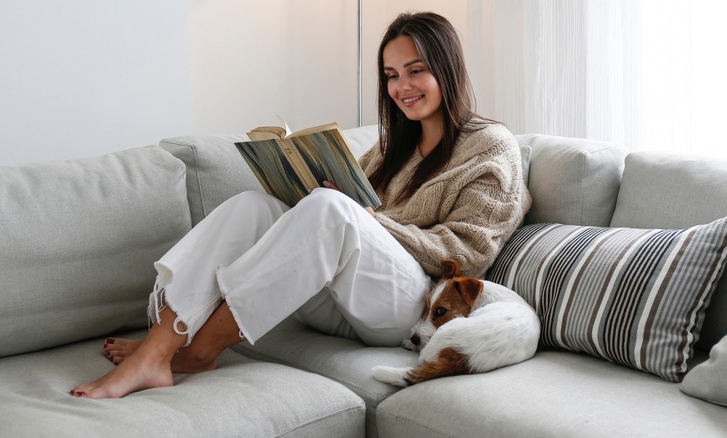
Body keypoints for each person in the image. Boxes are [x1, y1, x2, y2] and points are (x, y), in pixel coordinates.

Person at [71, 11, 531, 399]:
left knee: (332, 211)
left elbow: (468, 255)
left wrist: (366, 219)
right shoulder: (392, 146)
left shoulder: (491, 148)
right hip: (346, 296)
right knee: (252, 206)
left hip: (412, 307)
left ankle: (194, 353)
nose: (401, 86)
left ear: (447, 69)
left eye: (415, 70)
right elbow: (350, 214)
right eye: (391, 75)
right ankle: (160, 345)